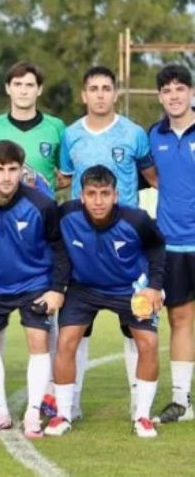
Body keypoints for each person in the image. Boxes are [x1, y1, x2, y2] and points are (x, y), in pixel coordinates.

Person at [58, 65, 158, 419]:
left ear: (115, 93)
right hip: (83, 247)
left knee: (136, 328)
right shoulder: (70, 135)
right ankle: (72, 405)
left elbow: (154, 178)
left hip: (128, 247)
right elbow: (64, 180)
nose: (100, 94)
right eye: (93, 88)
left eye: (106, 88)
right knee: (76, 332)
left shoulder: (134, 134)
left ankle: (138, 406)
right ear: (84, 95)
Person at [46, 165, 164, 438]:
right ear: (81, 195)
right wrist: (58, 287)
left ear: (116, 195)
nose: (98, 201)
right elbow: (58, 248)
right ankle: (63, 414)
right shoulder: (66, 215)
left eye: (104, 193)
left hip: (130, 289)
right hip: (83, 288)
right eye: (92, 194)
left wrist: (155, 287)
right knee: (65, 341)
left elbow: (157, 247)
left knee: (149, 342)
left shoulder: (137, 220)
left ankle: (143, 417)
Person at [0, 140, 67, 438]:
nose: (7, 176)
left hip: (34, 283)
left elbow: (60, 248)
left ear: (22, 170)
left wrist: (57, 289)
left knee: (38, 342)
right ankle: (0, 413)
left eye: (13, 169)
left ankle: (34, 412)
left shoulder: (41, 205)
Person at [148, 64, 195, 423]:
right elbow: (152, 177)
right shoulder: (153, 135)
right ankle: (181, 400)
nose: (174, 95)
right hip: (174, 246)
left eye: (180, 88)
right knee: (180, 319)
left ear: (191, 93)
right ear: (160, 97)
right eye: (167, 90)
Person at [0, 61, 66, 191]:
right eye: (17, 84)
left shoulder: (56, 127)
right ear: (8, 88)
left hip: (43, 209)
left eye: (30, 85)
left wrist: (44, 188)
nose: (23, 91)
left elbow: (67, 175)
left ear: (39, 89)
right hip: (3, 209)